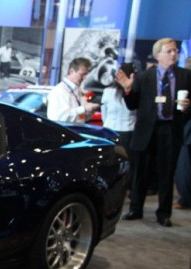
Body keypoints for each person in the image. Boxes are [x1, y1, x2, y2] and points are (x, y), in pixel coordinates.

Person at [117, 38, 191, 227]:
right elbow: (132, 105)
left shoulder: (186, 76)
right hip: (146, 130)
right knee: (140, 171)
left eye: (175, 51)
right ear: (158, 55)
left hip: (171, 129)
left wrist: (187, 107)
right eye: (169, 51)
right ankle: (135, 209)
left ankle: (164, 213)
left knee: (167, 173)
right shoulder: (144, 77)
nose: (174, 54)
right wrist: (127, 89)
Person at [47, 57, 100, 123]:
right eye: (82, 74)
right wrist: (84, 108)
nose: (84, 78)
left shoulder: (76, 90)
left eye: (86, 74)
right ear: (71, 71)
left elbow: (78, 119)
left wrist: (89, 112)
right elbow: (59, 118)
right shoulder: (59, 91)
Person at [101, 63, 137, 153]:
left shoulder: (107, 91)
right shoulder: (136, 93)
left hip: (109, 130)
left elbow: (103, 114)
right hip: (129, 132)